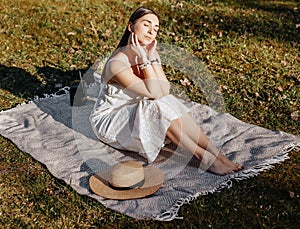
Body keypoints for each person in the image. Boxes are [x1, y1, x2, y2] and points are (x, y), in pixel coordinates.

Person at [90, 6, 243, 175]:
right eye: (146, 24)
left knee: (166, 101)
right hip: (111, 120)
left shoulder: (147, 54)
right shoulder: (117, 64)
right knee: (155, 106)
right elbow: (154, 94)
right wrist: (144, 59)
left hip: (136, 109)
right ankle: (204, 157)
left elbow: (164, 90)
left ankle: (216, 154)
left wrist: (150, 58)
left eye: (155, 29)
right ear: (130, 26)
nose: (151, 32)